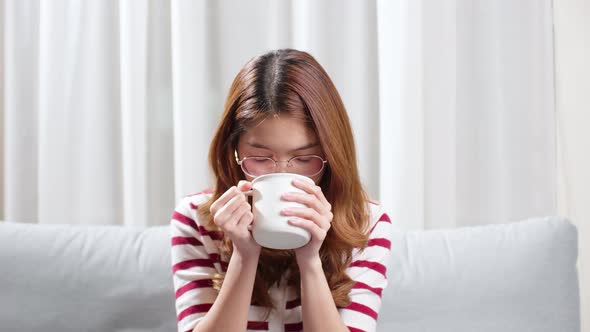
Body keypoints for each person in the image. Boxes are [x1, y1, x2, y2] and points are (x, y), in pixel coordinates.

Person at [170, 49, 392, 332]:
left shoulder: (366, 223)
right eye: (261, 158)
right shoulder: (197, 219)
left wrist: (310, 259)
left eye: (303, 158)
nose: (282, 173)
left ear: (331, 155)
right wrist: (244, 255)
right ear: (234, 151)